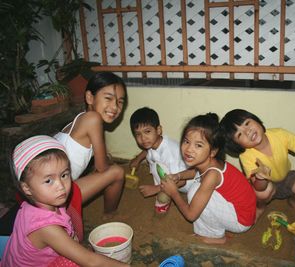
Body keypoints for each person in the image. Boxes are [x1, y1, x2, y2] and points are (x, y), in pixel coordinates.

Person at [1, 135, 129, 267]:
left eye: (64, 175)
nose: (61, 186)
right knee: (75, 262)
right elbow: (91, 261)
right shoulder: (46, 228)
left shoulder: (42, 202)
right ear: (26, 188)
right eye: (48, 180)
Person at [160, 113, 256, 244]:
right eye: (186, 141)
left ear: (212, 152)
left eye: (198, 145)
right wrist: (178, 176)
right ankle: (220, 224)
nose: (189, 149)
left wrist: (174, 193)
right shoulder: (211, 162)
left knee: (194, 192)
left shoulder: (212, 175)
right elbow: (196, 172)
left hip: (242, 220)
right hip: (242, 211)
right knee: (198, 188)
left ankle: (216, 236)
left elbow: (191, 215)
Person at [220, 109, 295, 219]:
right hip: (267, 184)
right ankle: (260, 207)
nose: (247, 131)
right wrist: (261, 178)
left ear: (256, 120)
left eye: (247, 123)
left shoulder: (279, 134)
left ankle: (294, 202)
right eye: (239, 134)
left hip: (287, 176)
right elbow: (259, 188)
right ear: (237, 145)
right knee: (262, 194)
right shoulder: (245, 156)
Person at [54, 72, 126, 220]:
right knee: (117, 172)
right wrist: (106, 163)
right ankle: (110, 213)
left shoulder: (80, 119)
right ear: (89, 97)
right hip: (57, 197)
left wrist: (105, 159)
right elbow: (101, 167)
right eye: (108, 98)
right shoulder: (93, 119)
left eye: (120, 102)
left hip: (48, 189)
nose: (115, 107)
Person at [129, 107, 195, 213]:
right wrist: (137, 159)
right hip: (171, 178)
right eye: (138, 134)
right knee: (155, 164)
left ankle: (165, 201)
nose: (143, 138)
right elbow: (147, 150)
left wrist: (156, 189)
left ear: (158, 130)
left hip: (186, 184)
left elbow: (182, 181)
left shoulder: (169, 152)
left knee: (162, 197)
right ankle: (164, 187)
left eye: (147, 132)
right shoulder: (154, 142)